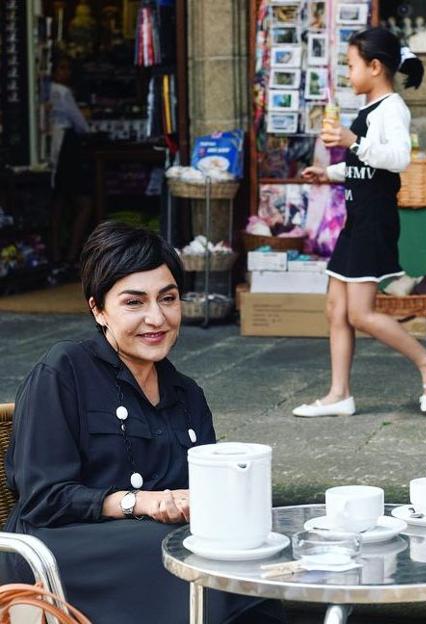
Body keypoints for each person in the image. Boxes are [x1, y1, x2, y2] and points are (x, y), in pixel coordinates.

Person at [1, 222, 286, 624]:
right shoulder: (64, 370)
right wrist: (142, 502)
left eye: (167, 299)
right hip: (60, 550)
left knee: (242, 554)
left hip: (150, 545)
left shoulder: (187, 394)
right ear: (98, 309)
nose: (157, 317)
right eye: (134, 303)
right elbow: (45, 499)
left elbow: (202, 493)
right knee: (182, 558)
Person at [293, 27, 426, 418]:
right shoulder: (370, 111)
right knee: (335, 308)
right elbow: (366, 165)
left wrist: (352, 140)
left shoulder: (392, 108)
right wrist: (328, 174)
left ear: (375, 66)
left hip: (373, 222)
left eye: (351, 65)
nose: (349, 74)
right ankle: (339, 394)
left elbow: (397, 158)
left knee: (360, 312)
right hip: (357, 219)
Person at [48, 54, 94, 278]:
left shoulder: (45, 90)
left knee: (58, 202)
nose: (66, 73)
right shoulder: (62, 92)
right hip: (68, 146)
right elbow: (80, 124)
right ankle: (71, 254)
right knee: (83, 202)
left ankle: (57, 252)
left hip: (51, 145)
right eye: (62, 68)